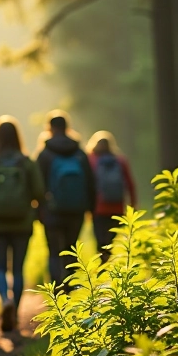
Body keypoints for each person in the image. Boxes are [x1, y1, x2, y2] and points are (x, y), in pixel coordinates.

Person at [0, 116, 45, 332]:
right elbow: (39, 192)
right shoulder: (26, 162)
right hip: (22, 223)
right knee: (18, 269)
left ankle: (5, 300)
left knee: (1, 267)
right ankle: (15, 312)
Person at [35, 110, 95, 288]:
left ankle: (56, 287)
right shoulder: (79, 152)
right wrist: (90, 207)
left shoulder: (45, 154)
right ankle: (70, 287)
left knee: (54, 251)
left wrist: (39, 208)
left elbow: (38, 185)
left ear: (50, 128)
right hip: (76, 209)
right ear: (66, 127)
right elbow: (90, 182)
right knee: (71, 248)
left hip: (52, 210)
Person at [87, 131, 137, 261]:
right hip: (117, 208)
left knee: (100, 241)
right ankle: (107, 264)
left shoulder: (91, 160)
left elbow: (87, 184)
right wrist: (133, 204)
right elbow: (130, 184)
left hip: (98, 208)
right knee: (110, 240)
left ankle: (103, 266)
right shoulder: (120, 161)